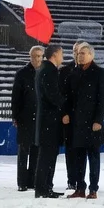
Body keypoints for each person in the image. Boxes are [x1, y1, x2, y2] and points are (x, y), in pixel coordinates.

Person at [66, 44, 104, 199]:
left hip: (92, 123)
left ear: (91, 55)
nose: (80, 56)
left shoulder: (100, 73)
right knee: (78, 157)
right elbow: (69, 98)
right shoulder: (74, 73)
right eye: (78, 54)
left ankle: (93, 189)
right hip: (77, 123)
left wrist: (98, 120)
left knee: (93, 156)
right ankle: (80, 188)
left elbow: (102, 99)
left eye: (83, 53)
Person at [33, 44, 66, 198]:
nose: (62, 57)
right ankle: (42, 188)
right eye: (61, 54)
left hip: (47, 121)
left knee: (48, 156)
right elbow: (52, 95)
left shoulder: (44, 70)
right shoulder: (49, 71)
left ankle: (46, 186)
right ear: (55, 55)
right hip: (49, 122)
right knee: (47, 156)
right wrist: (66, 105)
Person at [10, 46, 43, 192]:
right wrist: (15, 116)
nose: (38, 59)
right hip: (25, 118)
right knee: (23, 151)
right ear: (30, 57)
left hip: (41, 119)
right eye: (35, 56)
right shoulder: (22, 74)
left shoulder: (45, 73)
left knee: (36, 151)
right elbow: (15, 97)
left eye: (40, 56)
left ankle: (33, 181)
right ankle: (22, 182)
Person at [60, 41, 87, 191]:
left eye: (81, 51)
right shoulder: (65, 71)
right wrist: (64, 113)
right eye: (76, 51)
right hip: (69, 118)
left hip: (84, 119)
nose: (78, 54)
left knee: (82, 150)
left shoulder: (91, 70)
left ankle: (81, 179)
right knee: (70, 149)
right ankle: (72, 179)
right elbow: (62, 94)